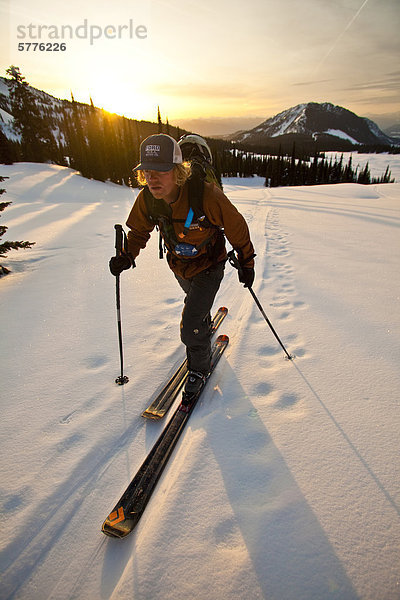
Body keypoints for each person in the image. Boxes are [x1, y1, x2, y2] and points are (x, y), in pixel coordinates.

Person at [110, 133, 255, 398]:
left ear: (177, 171)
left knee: (190, 324)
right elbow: (139, 232)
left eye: (160, 171)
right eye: (147, 172)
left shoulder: (206, 195)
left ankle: (199, 368)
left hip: (210, 264)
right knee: (195, 304)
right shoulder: (148, 199)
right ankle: (202, 321)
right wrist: (127, 256)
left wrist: (247, 262)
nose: (152, 179)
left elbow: (236, 227)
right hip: (179, 265)